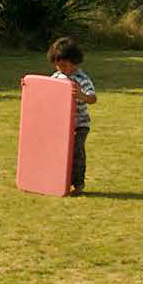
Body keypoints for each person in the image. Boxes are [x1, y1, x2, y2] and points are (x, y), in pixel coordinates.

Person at [48, 36, 98, 195]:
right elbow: (45, 91)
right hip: (60, 124)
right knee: (58, 152)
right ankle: (58, 180)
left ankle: (78, 184)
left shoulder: (82, 79)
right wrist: (28, 86)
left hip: (79, 125)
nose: (60, 68)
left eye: (64, 64)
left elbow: (93, 98)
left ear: (74, 62)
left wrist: (81, 95)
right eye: (57, 64)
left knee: (76, 152)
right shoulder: (56, 76)